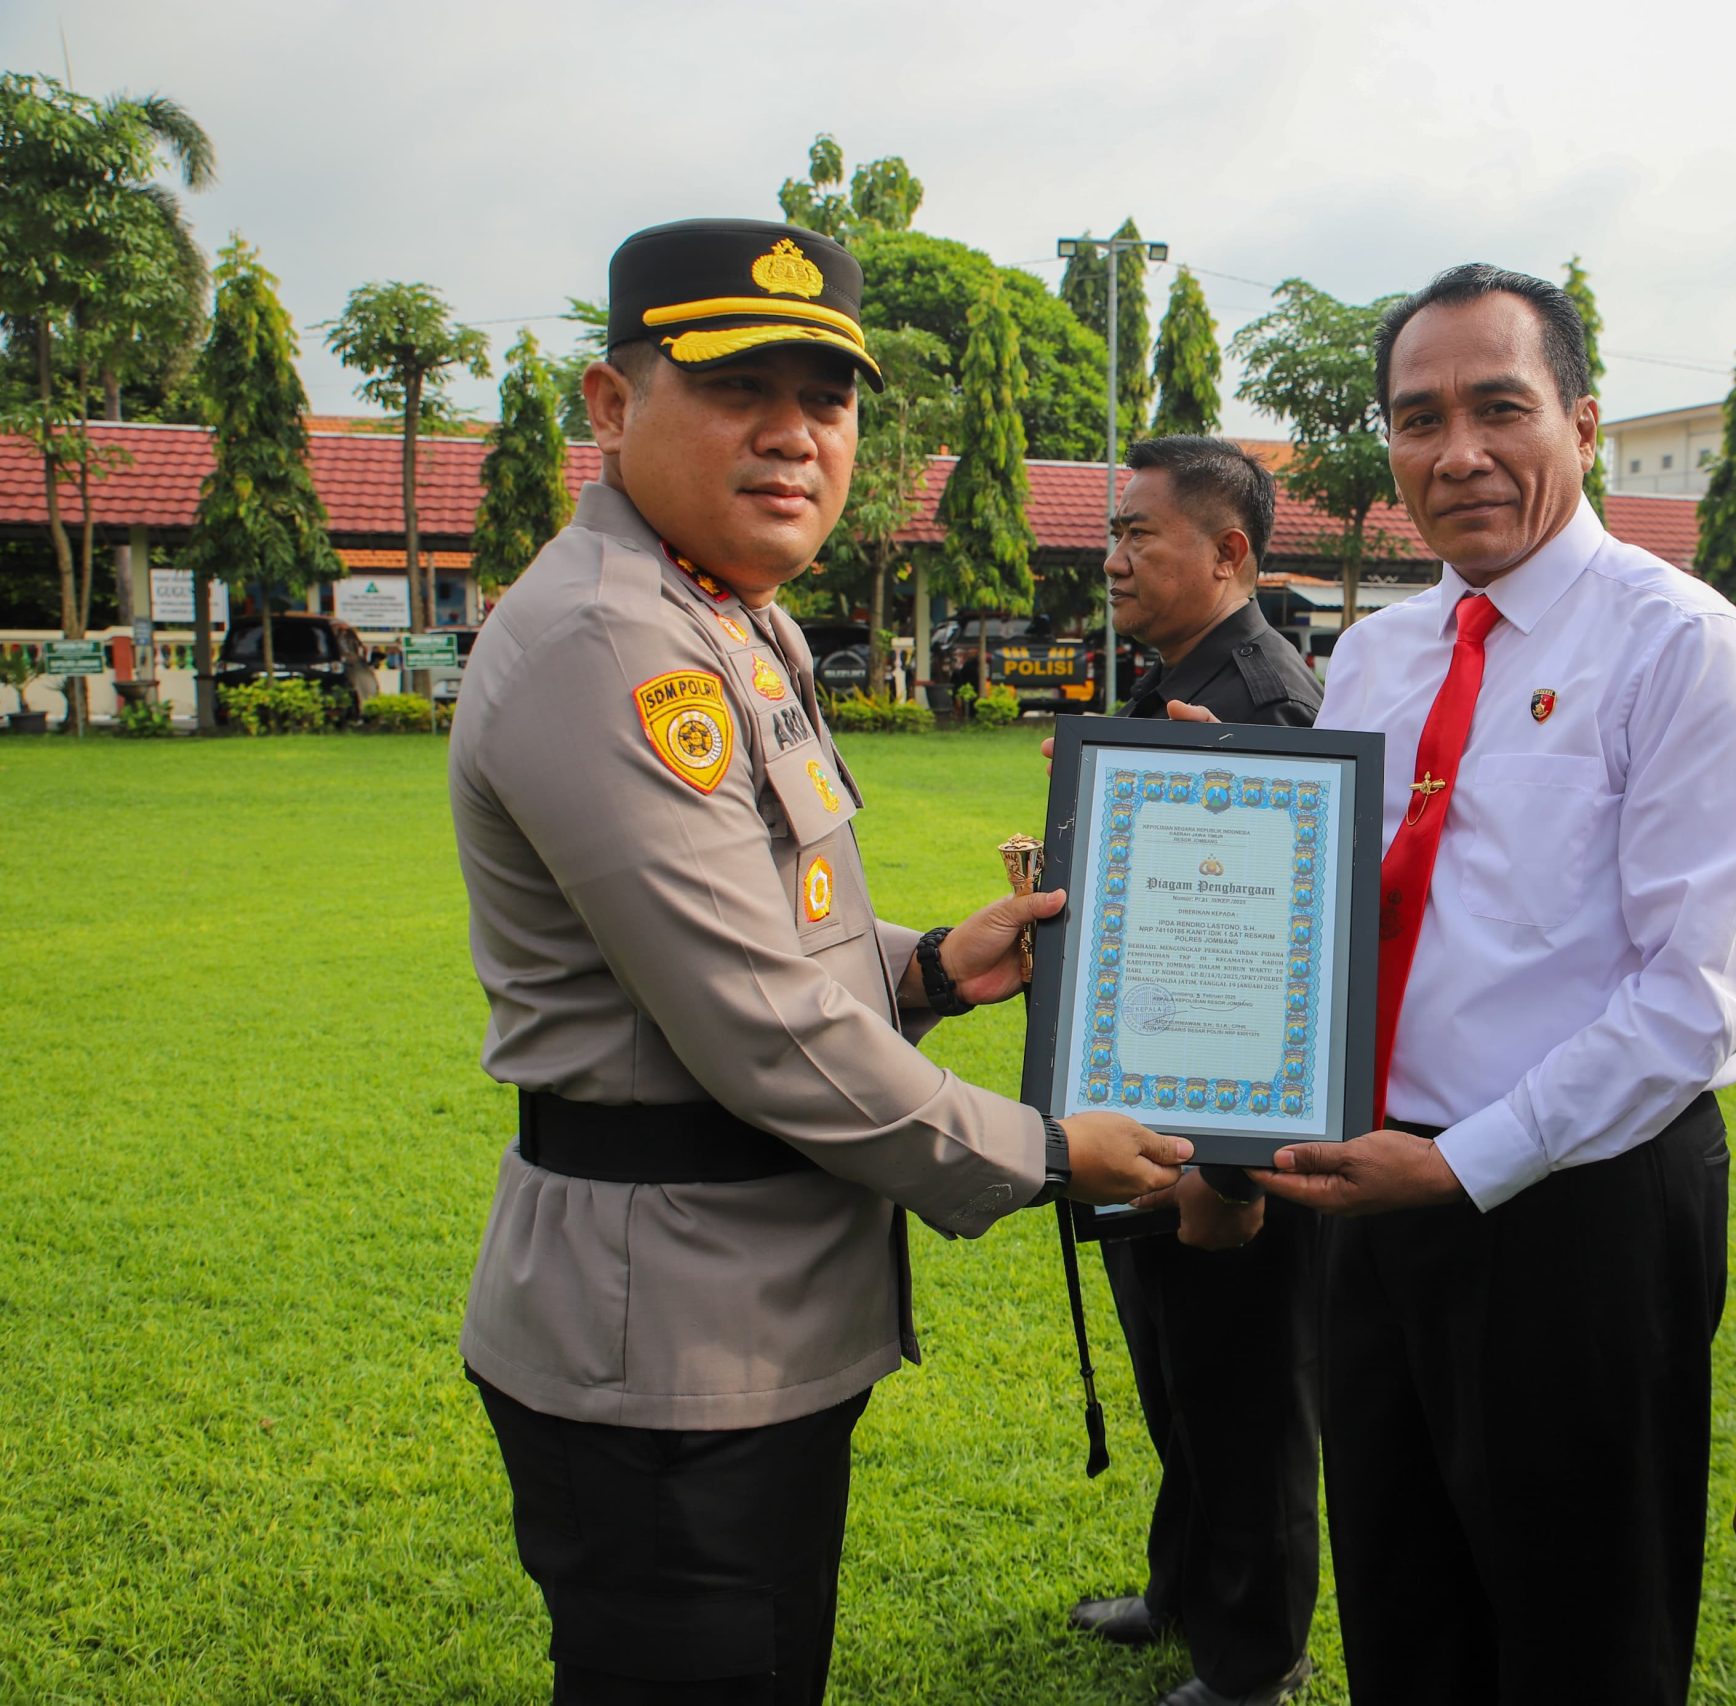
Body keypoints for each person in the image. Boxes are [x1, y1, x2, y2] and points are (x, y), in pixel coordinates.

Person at [448, 218, 1188, 1706]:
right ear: (610, 404)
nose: (795, 435)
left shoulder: (725, 614)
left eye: (830, 398)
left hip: (748, 1311)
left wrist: (927, 966)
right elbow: (768, 1029)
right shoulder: (616, 646)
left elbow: (768, 931)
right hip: (664, 1336)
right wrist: (1049, 1151)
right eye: (739, 386)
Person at [1241, 263, 1736, 1704]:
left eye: (1502, 407)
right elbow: (1332, 909)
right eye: (1419, 419)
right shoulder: (1373, 652)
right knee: (1400, 1591)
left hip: (1577, 1207)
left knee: (1580, 1621)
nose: (1459, 452)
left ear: (1585, 420)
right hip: (1368, 1189)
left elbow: (1701, 997)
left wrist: (1467, 1164)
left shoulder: (1683, 647)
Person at [1063, 435, 1325, 1706]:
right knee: (1179, 1375)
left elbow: (1276, 960)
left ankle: (1250, 1659)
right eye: (1113, 531)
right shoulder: (1184, 673)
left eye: (1139, 535)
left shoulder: (1261, 701)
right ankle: (1183, 1589)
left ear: (1229, 553)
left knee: (1244, 1396)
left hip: (1219, 1126)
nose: (1112, 555)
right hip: (1150, 1108)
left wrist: (1233, 1168)